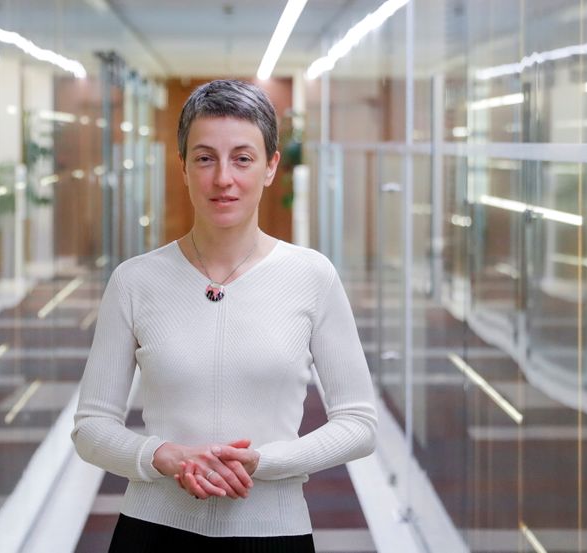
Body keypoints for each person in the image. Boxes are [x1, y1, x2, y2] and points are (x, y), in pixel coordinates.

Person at [72, 79, 377, 552]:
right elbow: (91, 428)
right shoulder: (134, 282)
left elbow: (359, 423)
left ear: (271, 166)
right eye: (205, 157)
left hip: (274, 532)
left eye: (242, 158)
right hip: (152, 531)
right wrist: (162, 456)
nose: (223, 179)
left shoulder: (312, 276)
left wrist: (264, 462)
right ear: (184, 167)